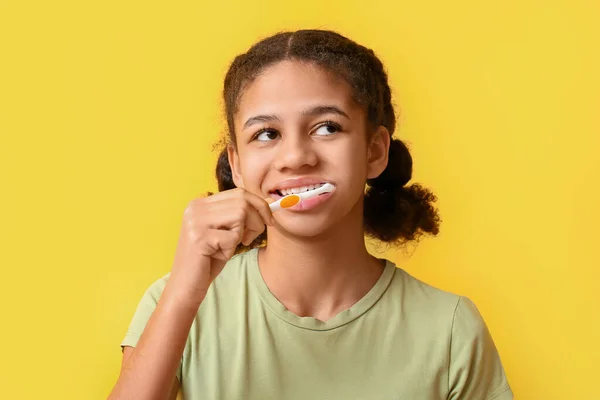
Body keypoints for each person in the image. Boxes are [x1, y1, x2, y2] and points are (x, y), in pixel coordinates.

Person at [108, 29, 513, 400]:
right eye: (267, 134)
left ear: (375, 151)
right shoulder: (174, 302)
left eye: (327, 128)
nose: (296, 157)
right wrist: (184, 294)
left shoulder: (450, 328)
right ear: (238, 165)